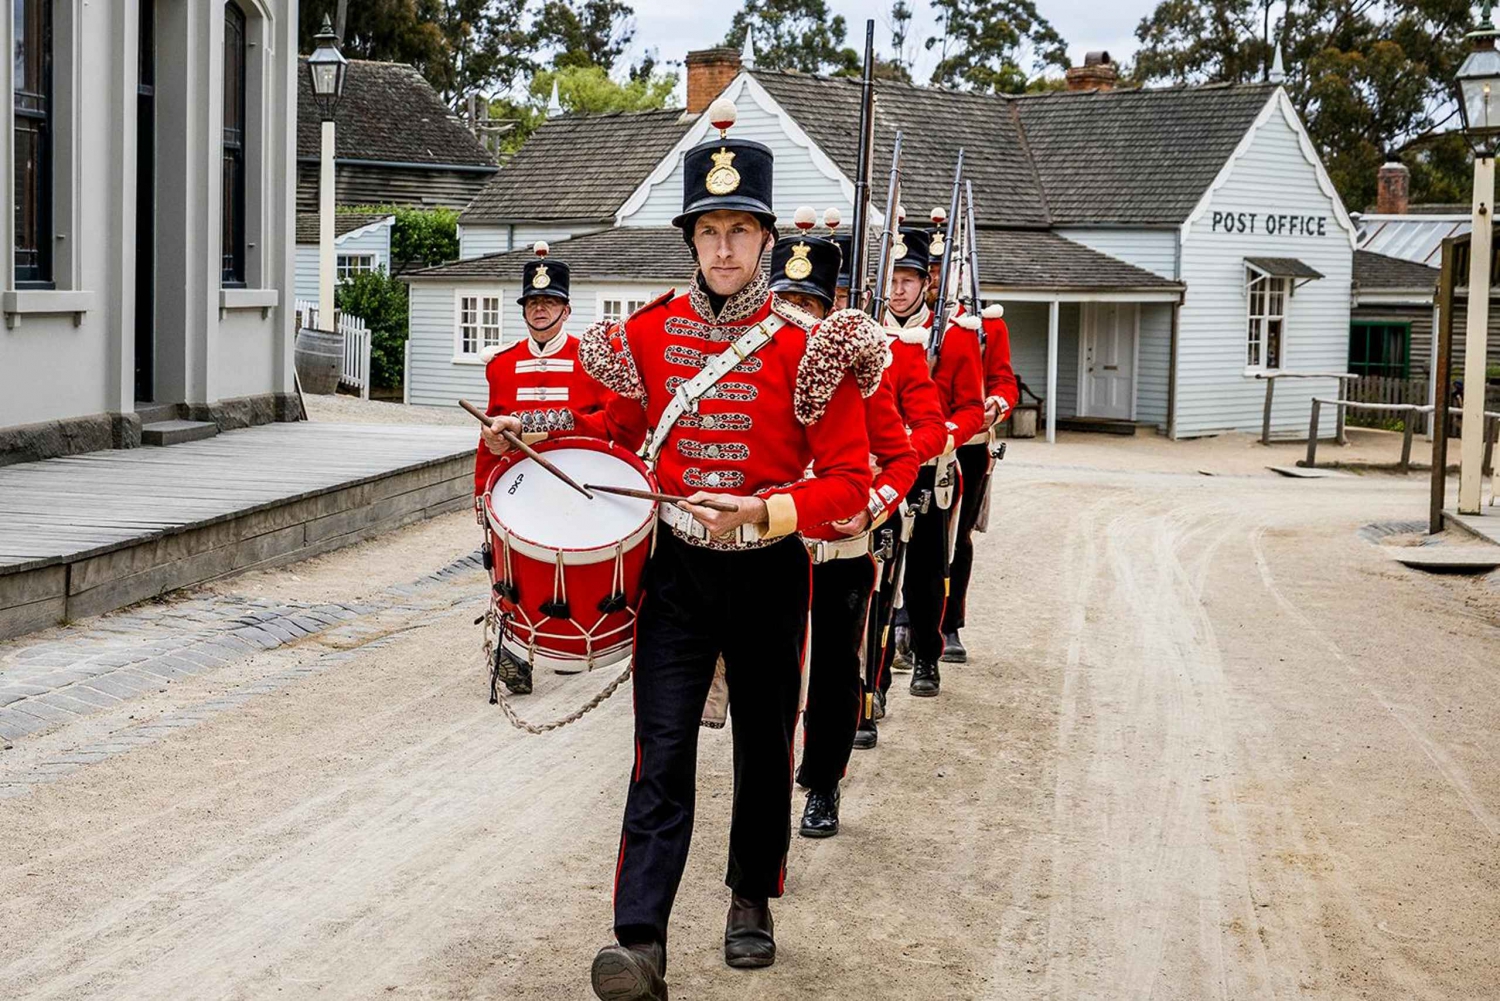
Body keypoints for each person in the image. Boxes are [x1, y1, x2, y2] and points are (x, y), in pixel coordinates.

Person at [481, 101, 883, 1001]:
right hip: (680, 572)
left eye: (743, 229)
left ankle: (750, 896)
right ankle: (640, 938)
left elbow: (851, 481)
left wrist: (769, 511)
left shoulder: (811, 348)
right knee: (661, 748)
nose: (727, 247)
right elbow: (604, 431)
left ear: (768, 241)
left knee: (762, 744)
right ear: (691, 240)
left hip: (771, 569)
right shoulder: (648, 338)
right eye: (711, 230)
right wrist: (528, 438)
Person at [765, 215, 917, 838]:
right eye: (786, 301)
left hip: (840, 553)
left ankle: (823, 783)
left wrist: (874, 505)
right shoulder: (756, 369)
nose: (796, 315)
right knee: (771, 678)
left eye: (809, 303)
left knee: (833, 676)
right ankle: (770, 783)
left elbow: (901, 454)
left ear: (830, 309)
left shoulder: (857, 374)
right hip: (775, 549)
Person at [474, 244, 635, 694]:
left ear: (567, 309)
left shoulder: (590, 358)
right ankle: (513, 650)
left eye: (549, 302)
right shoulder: (502, 365)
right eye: (532, 302)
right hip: (518, 484)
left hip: (577, 479)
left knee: (572, 564)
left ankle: (574, 636)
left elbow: (612, 424)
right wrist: (480, 489)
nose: (539, 309)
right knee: (511, 567)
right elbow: (489, 429)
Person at [878, 226, 984, 700]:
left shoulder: (957, 337)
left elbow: (971, 409)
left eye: (908, 279)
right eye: (892, 278)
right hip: (878, 471)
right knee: (877, 580)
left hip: (931, 468)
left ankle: (926, 656)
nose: (898, 289)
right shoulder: (866, 331)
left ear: (926, 283)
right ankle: (873, 676)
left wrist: (945, 437)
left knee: (925, 574)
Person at [941, 304, 1018, 662]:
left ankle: (949, 623)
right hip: (910, 443)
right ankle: (902, 619)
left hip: (968, 444)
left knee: (958, 535)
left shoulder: (985, 323)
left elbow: (1003, 381)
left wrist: (995, 405)